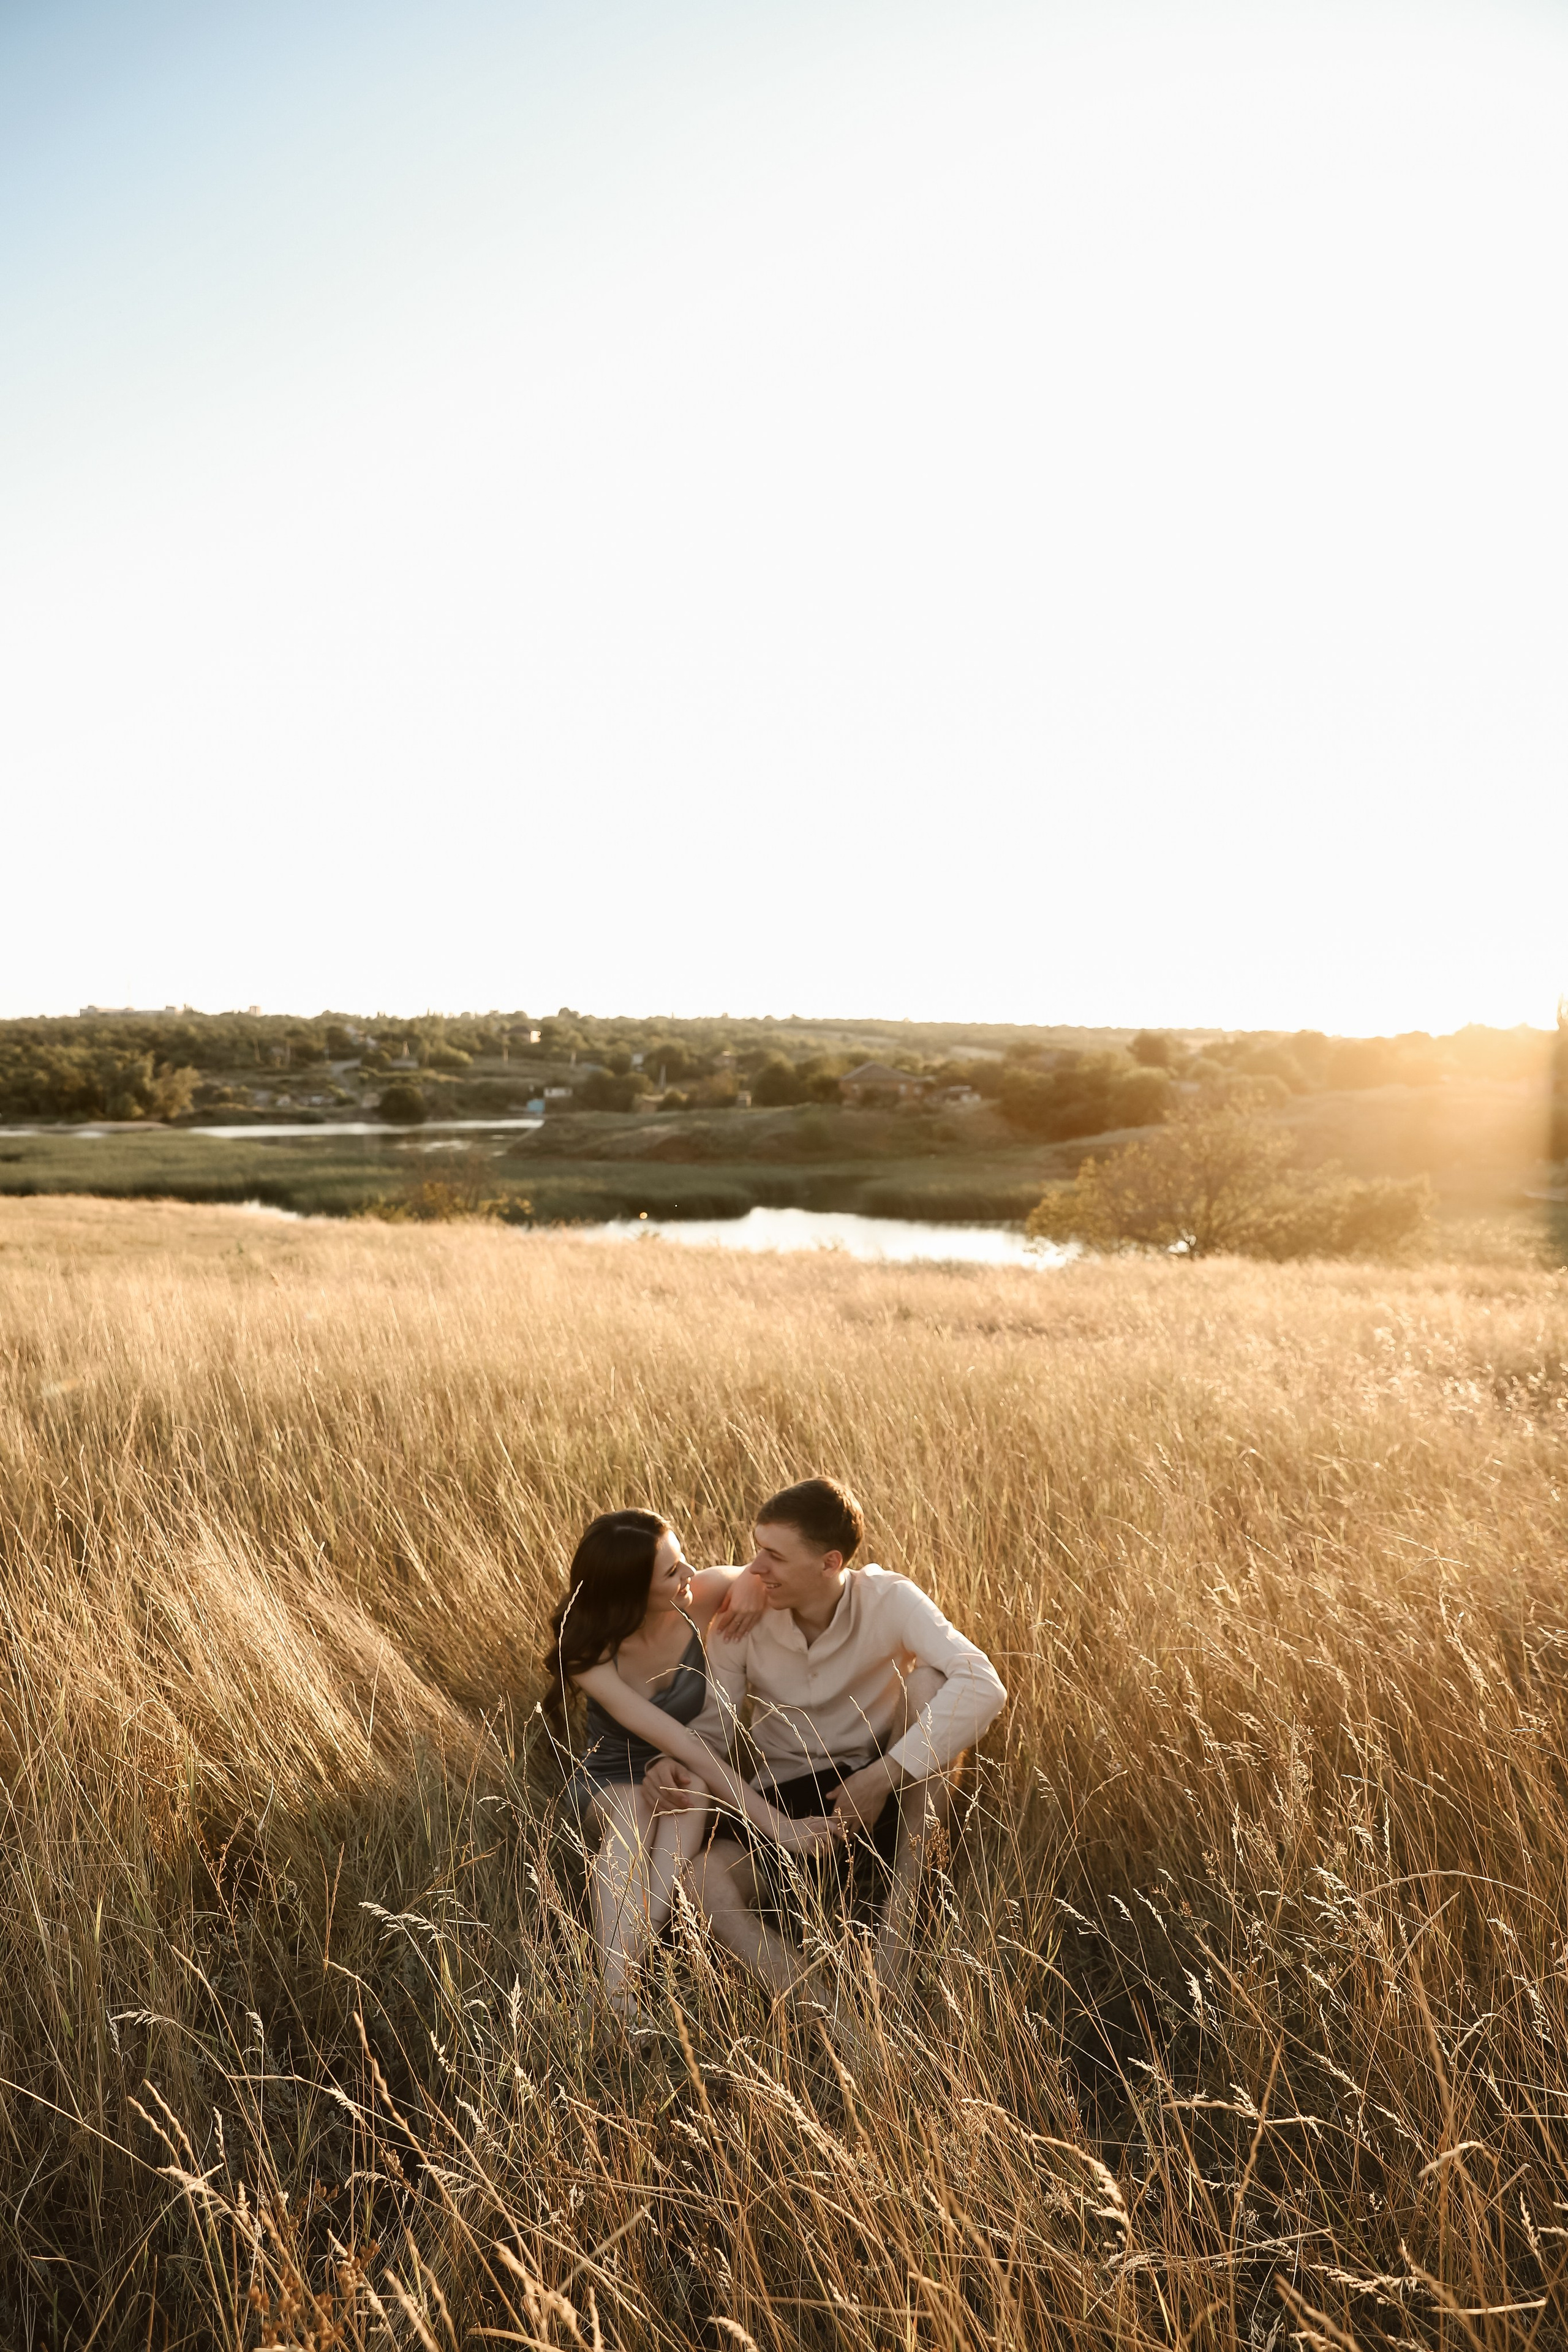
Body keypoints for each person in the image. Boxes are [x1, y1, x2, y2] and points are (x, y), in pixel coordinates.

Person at [644, 1477, 1006, 1991]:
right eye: (756, 1552)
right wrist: (670, 1759)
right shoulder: (743, 1616)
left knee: (931, 1681)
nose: (756, 1568)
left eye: (774, 1555)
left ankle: (894, 1949)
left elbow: (984, 1684)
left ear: (830, 1563)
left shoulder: (888, 1599)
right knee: (701, 1881)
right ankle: (838, 2024)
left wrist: (882, 1778)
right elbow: (713, 1731)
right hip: (784, 1802)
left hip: (882, 1793)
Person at [543, 1508, 842, 2017]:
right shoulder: (586, 1651)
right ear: (631, 1594)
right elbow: (682, 1741)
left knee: (690, 1793)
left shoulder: (697, 1596)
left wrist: (747, 1583)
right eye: (672, 1572)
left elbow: (758, 1572)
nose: (690, 1575)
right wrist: (777, 1825)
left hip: (689, 1768)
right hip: (611, 1776)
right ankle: (618, 1989)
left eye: (683, 1561)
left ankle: (625, 1971)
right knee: (636, 1811)